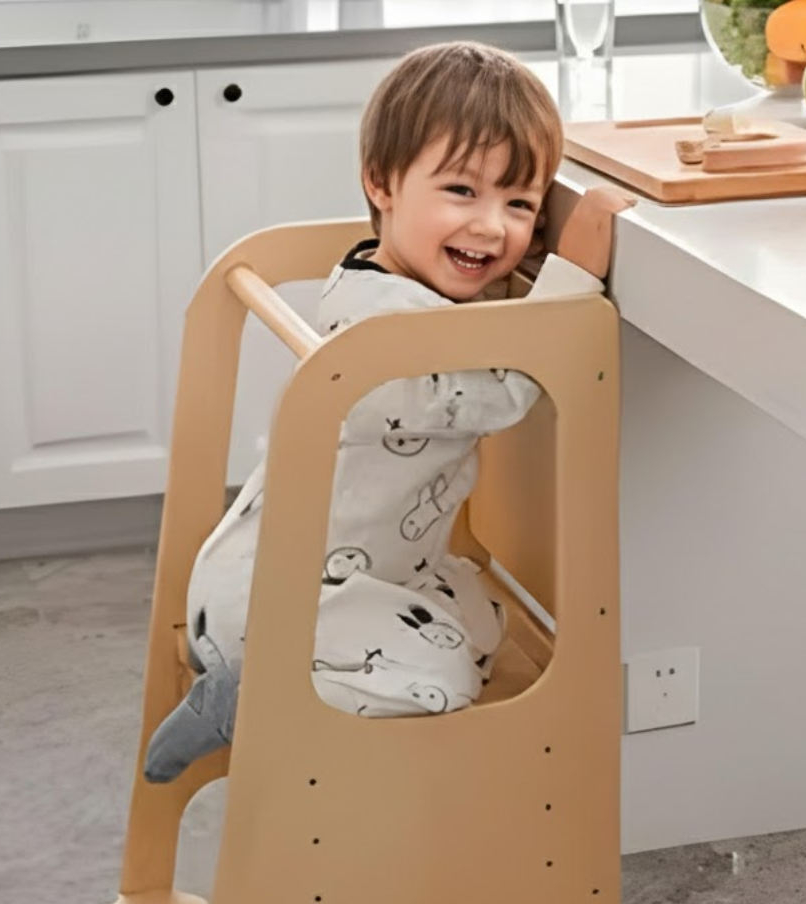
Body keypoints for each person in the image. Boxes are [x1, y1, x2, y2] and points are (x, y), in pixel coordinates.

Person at [144, 41, 564, 782]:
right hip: (280, 600)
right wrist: (572, 274)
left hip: (363, 576)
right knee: (449, 680)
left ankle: (304, 690)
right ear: (382, 184)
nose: (493, 227)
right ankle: (248, 698)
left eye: (521, 203)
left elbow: (477, 334)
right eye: (462, 192)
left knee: (483, 617)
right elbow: (505, 388)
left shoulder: (387, 278)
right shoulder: (385, 331)